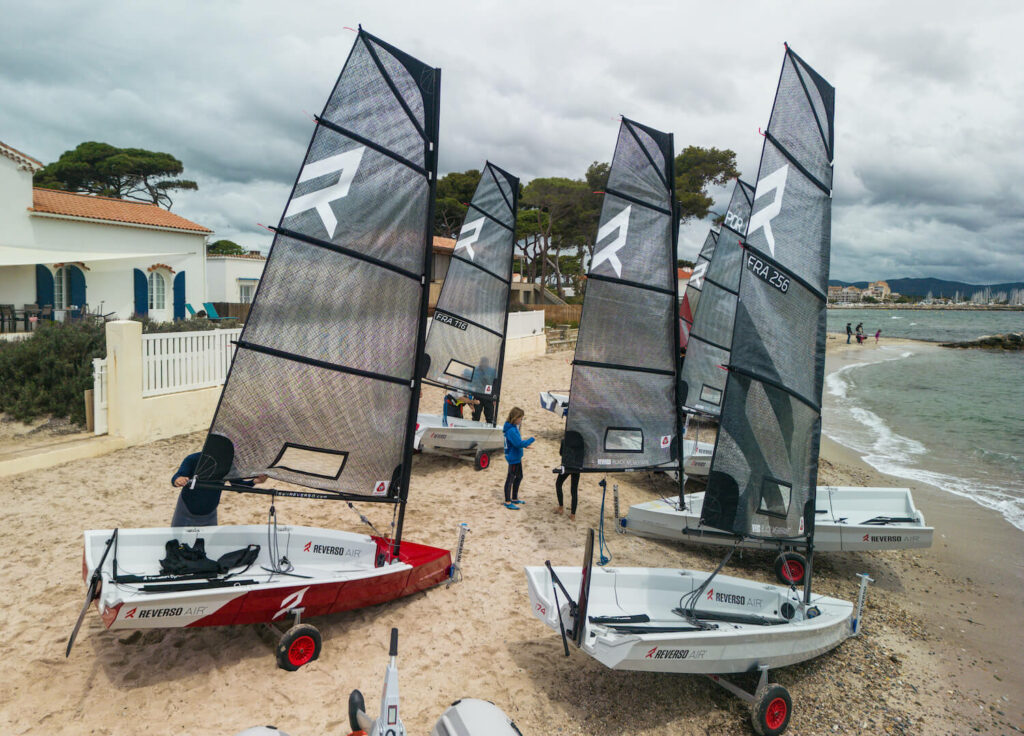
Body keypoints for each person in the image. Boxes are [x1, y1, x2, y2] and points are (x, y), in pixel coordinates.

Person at [171, 452, 267, 527]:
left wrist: (255, 481)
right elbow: (176, 477)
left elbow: (239, 487)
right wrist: (178, 480)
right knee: (177, 545)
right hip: (186, 511)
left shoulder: (228, 464)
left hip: (210, 514)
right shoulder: (193, 459)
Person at [502, 407, 534, 510]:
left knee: (519, 477)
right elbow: (517, 443)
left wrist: (524, 445)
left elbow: (517, 442)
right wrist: (531, 440)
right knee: (510, 479)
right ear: (515, 418)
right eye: (520, 418)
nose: (521, 420)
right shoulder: (511, 430)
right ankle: (507, 501)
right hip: (513, 457)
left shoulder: (514, 427)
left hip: (516, 456)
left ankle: (514, 498)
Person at [470, 356, 497, 424]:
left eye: (485, 363)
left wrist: (494, 397)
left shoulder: (492, 371)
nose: (483, 364)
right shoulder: (475, 370)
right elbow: (471, 383)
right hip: (478, 396)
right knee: (476, 417)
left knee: (489, 418)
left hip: (489, 397)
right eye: (482, 362)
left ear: (488, 363)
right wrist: (471, 397)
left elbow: (495, 384)